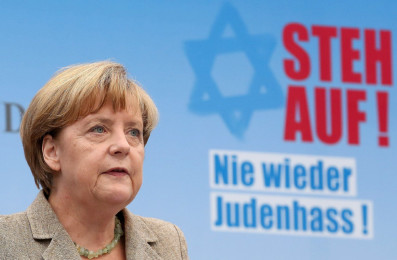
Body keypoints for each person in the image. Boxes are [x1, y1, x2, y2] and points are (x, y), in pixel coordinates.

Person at [0, 61, 189, 259]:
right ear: (52, 151)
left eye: (133, 132)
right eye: (98, 129)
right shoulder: (6, 241)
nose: (123, 146)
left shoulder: (169, 243)